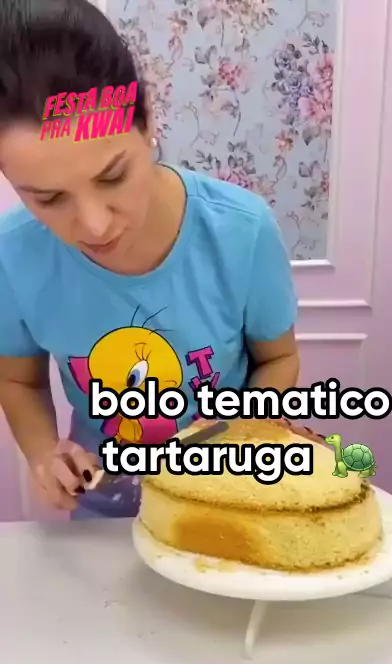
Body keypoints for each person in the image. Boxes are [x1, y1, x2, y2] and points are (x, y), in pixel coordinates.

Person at [0, 0, 299, 520]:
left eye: (113, 176)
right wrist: (45, 453)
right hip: (104, 520)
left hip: (227, 505)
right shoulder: (14, 254)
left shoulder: (242, 231)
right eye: (48, 198)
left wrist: (240, 436)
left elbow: (279, 360)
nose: (94, 225)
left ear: (147, 121)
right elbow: (18, 380)